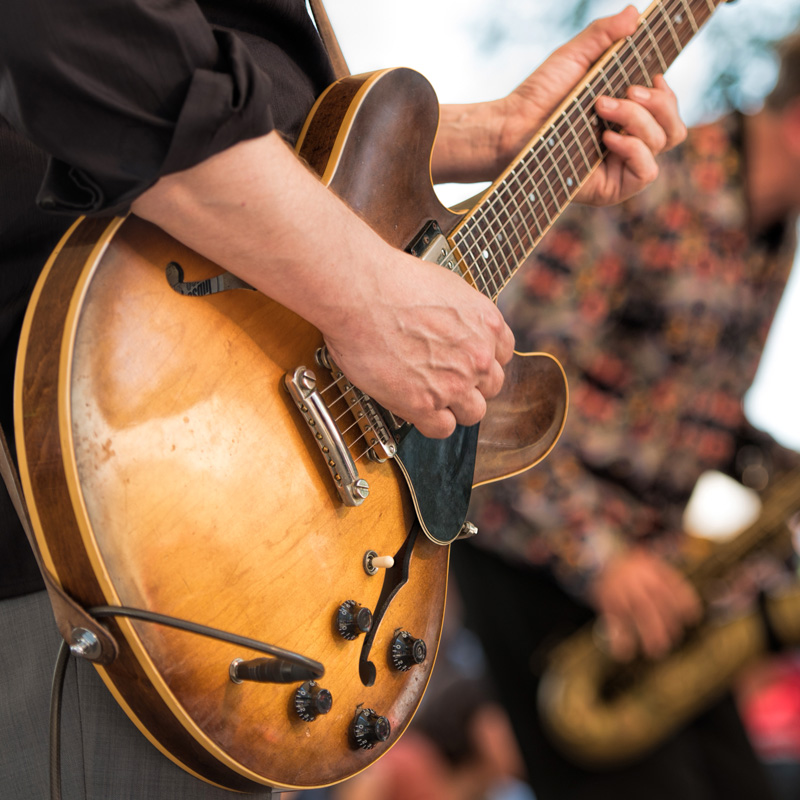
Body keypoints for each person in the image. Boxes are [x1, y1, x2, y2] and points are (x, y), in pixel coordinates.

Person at [0, 2, 685, 799]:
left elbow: (209, 80)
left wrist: (488, 134)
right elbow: (78, 32)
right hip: (83, 521)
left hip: (232, 551)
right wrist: (364, 294)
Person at [452, 28, 800, 800]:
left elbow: (682, 409)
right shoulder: (655, 180)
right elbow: (498, 387)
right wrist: (602, 558)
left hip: (648, 569)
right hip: (536, 549)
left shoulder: (777, 230)